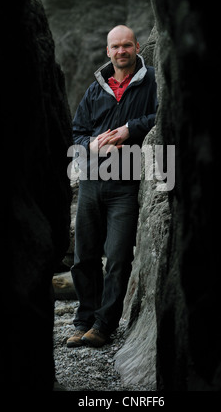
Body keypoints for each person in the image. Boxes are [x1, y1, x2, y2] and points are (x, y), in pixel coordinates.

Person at [67, 25, 158, 348]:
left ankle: (104, 326)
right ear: (108, 51)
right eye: (115, 47)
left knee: (118, 258)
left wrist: (129, 130)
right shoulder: (95, 89)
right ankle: (83, 321)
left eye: (126, 46)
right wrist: (92, 145)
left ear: (136, 48)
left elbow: (163, 115)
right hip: (92, 181)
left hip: (126, 184)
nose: (121, 51)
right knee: (84, 257)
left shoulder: (152, 83)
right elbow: (77, 132)